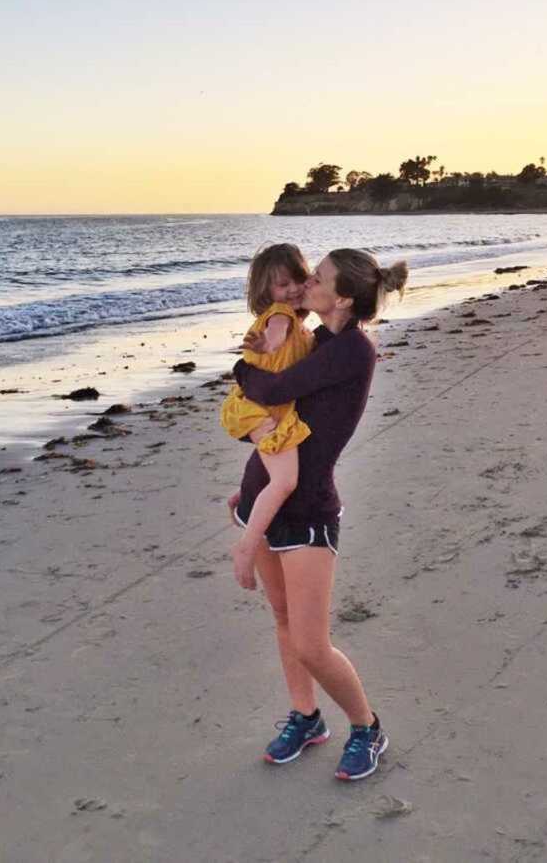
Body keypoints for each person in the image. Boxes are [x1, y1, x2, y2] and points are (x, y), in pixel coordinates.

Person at [228, 248, 408, 780]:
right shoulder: (319, 341)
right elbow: (281, 414)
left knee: (311, 642)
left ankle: (366, 726)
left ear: (343, 298)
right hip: (262, 497)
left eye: (319, 277)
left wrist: (240, 365)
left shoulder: (353, 350)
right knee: (284, 623)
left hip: (306, 511)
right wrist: (248, 490)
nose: (307, 281)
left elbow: (270, 388)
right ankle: (306, 717)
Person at [220, 244, 314, 590]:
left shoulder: (302, 325)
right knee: (285, 481)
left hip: (265, 407)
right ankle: (245, 548)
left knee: (278, 472)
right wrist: (269, 345)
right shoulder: (280, 315)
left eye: (298, 281)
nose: (291, 290)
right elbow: (275, 335)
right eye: (281, 284)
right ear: (266, 291)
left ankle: (243, 497)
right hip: (261, 410)